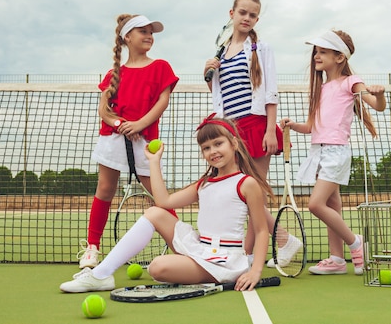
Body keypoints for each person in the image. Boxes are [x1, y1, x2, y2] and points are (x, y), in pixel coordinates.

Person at [60, 115, 272, 292]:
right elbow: (164, 201)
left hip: (224, 260)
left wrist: (254, 271)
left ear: (234, 143)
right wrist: (154, 162)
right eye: (206, 148)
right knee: (154, 212)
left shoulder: (247, 183)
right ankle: (101, 274)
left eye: (218, 144)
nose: (213, 151)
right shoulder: (204, 184)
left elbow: (262, 230)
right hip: (200, 247)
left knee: (157, 267)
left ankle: (214, 273)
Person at [203, 0, 301, 268]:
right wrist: (208, 75)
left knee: (250, 195)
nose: (247, 18)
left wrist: (271, 131)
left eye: (253, 14)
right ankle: (247, 254)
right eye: (242, 12)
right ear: (231, 13)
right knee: (243, 195)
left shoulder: (262, 48)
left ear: (256, 19)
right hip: (231, 132)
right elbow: (222, 97)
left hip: (256, 126)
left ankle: (281, 241)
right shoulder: (221, 53)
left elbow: (270, 93)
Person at [280, 29, 386, 275]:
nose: (316, 55)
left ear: (340, 57)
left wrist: (380, 96)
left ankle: (356, 244)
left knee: (316, 205)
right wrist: (292, 125)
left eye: (323, 51)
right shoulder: (320, 89)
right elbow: (310, 127)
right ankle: (337, 260)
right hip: (319, 152)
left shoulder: (351, 81)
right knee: (332, 205)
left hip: (336, 153)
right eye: (316, 51)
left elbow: (377, 106)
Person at [78, 14, 179, 269]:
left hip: (145, 142)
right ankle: (92, 248)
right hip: (113, 139)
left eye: (151, 32)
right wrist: (121, 126)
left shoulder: (161, 67)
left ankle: (184, 246)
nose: (149, 36)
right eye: (142, 31)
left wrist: (140, 124)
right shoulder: (115, 73)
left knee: (160, 197)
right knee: (104, 190)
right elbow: (104, 110)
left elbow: (162, 101)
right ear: (127, 37)